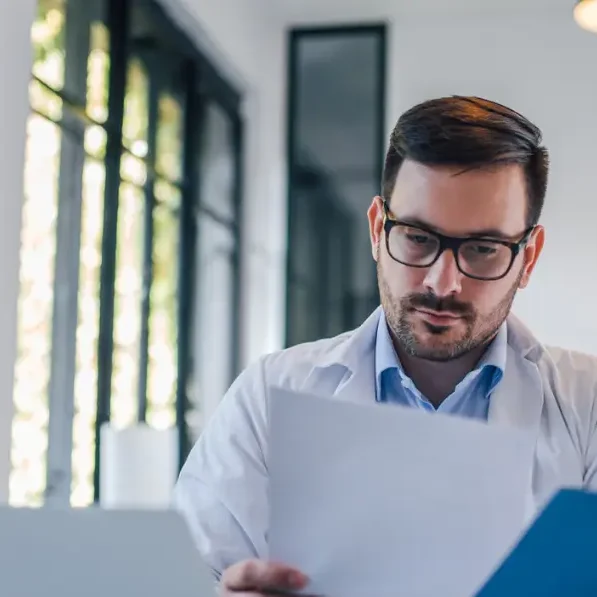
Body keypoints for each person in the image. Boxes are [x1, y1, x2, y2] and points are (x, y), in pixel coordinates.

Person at [173, 96, 597, 596]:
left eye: (483, 249)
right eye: (418, 238)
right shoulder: (271, 394)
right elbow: (188, 576)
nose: (443, 284)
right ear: (378, 228)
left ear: (528, 258)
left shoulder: (587, 405)